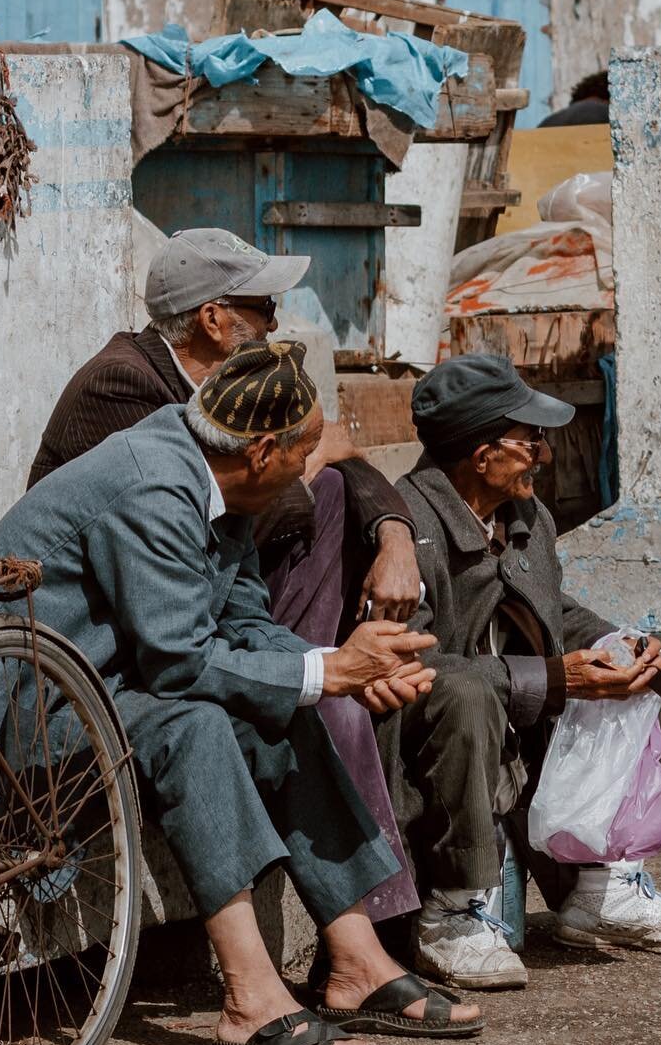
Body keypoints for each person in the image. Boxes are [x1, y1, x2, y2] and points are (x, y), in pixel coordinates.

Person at [0, 340, 482, 1045]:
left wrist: (343, 669)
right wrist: (324, 668)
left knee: (287, 708)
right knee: (193, 723)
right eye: (302, 455)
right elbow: (180, 660)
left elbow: (245, 621)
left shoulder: (214, 472)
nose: (308, 468)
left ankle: (356, 958)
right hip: (3, 726)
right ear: (262, 451)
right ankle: (250, 1000)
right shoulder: (156, 488)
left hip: (98, 689)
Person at [28, 227, 419, 924]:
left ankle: (359, 946)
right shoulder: (127, 391)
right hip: (102, 656)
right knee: (228, 715)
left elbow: (314, 475)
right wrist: (324, 672)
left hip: (183, 619)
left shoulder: (229, 414)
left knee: (303, 694)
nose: (276, 327)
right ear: (213, 318)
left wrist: (391, 534)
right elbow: (193, 536)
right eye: (265, 309)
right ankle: (273, 980)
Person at [381, 353, 661, 990]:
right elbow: (409, 663)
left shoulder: (527, 517)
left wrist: (621, 645)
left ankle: (604, 885)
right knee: (467, 690)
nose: (543, 451)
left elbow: (553, 609)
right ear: (481, 455)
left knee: (658, 655)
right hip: (431, 727)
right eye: (530, 438)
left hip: (516, 709)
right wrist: (557, 679)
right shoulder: (409, 527)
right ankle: (451, 909)